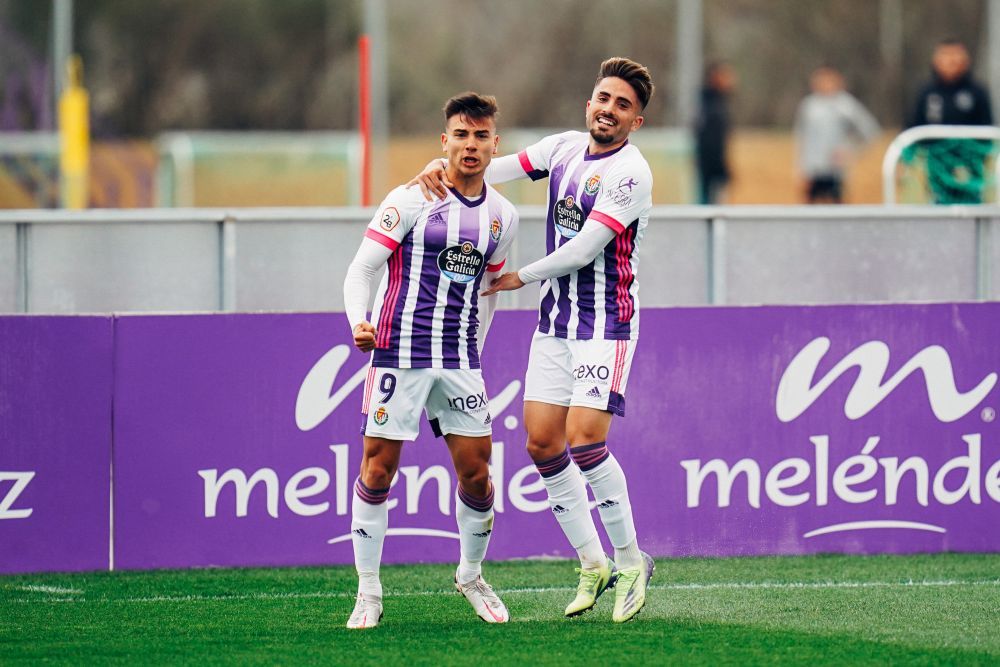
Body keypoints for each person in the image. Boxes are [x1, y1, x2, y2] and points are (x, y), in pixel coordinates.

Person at [411, 57, 655, 623]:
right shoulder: (565, 148)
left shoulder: (631, 174)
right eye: (603, 98)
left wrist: (521, 274)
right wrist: (436, 166)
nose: (608, 110)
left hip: (605, 324)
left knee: (586, 441)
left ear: (635, 122)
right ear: (588, 102)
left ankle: (629, 560)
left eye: (623, 105)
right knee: (543, 444)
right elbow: (495, 166)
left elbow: (583, 249)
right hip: (556, 324)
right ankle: (592, 562)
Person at [342, 92, 519, 629]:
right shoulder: (410, 198)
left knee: (478, 475)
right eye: (461, 135)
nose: (470, 145)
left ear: (494, 143)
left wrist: (476, 355)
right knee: (379, 469)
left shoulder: (503, 216)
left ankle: (470, 574)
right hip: (399, 353)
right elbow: (361, 269)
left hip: (459, 359)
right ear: (445, 141)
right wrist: (359, 321)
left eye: (480, 136)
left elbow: (490, 291)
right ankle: (369, 592)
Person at [908, 39, 994, 203]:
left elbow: (987, 130)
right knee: (937, 203)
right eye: (946, 55)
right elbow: (913, 126)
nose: (951, 60)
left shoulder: (977, 92)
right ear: (936, 60)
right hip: (936, 166)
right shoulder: (926, 92)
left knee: (972, 202)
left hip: (971, 166)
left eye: (955, 55)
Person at [794, 65, 880, 204]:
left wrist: (850, 151)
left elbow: (869, 131)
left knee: (837, 212)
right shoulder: (809, 106)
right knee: (810, 214)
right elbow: (801, 139)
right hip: (813, 171)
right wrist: (801, 170)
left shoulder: (846, 105)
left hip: (836, 172)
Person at [694, 61, 736, 204]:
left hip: (713, 169)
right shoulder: (709, 106)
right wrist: (720, 168)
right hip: (710, 171)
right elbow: (709, 142)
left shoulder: (717, 103)